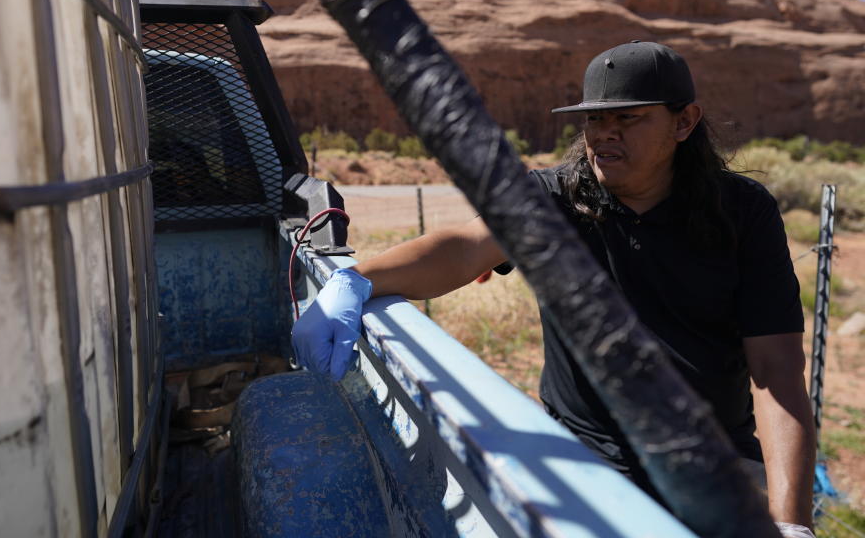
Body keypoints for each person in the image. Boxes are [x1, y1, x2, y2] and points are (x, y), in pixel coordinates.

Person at [292, 41, 816, 536]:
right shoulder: (553, 198)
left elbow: (777, 371)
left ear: (684, 122)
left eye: (627, 118)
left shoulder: (743, 212)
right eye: (594, 119)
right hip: (585, 463)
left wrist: (789, 521)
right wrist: (357, 280)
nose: (604, 133)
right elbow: (465, 247)